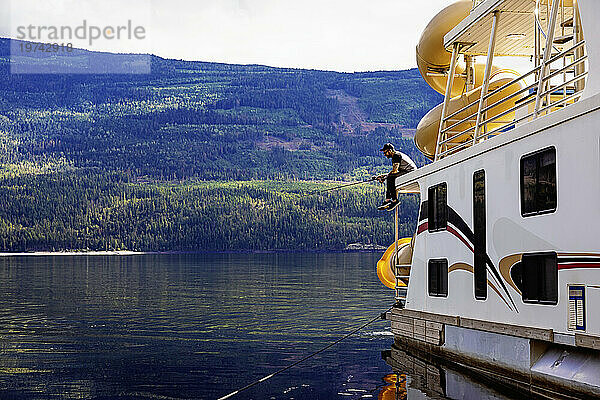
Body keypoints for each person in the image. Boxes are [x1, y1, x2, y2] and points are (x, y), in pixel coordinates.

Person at [375, 143, 417, 211]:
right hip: (408, 171)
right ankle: (389, 200)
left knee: (390, 178)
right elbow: (395, 172)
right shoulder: (396, 155)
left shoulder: (396, 156)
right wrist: (384, 176)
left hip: (410, 172)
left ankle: (393, 200)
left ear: (390, 150)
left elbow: (394, 171)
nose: (384, 154)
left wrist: (385, 177)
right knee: (390, 178)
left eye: (385, 152)